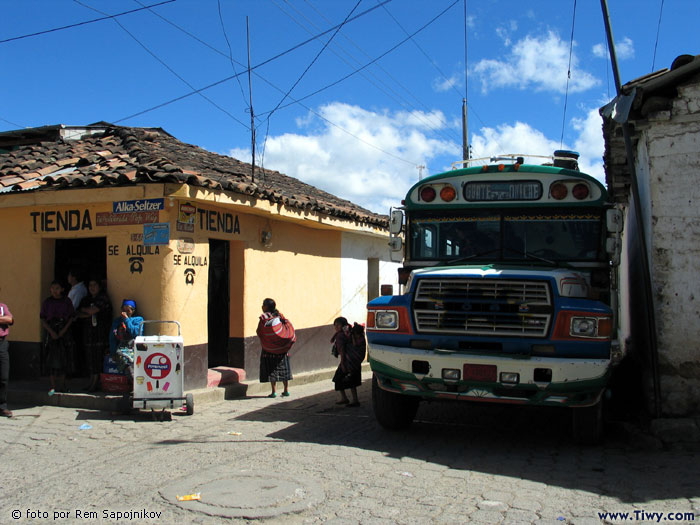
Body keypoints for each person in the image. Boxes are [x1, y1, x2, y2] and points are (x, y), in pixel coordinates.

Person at [40, 280, 75, 394]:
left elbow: (71, 317)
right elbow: (43, 319)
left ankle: (63, 385)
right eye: (53, 288)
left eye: (57, 288)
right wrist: (51, 332)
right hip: (51, 331)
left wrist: (62, 332)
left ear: (62, 289)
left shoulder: (66, 301)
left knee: (64, 358)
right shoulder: (47, 302)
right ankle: (52, 386)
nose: (55, 291)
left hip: (64, 330)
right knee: (51, 359)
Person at [76, 278, 112, 392]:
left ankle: (96, 383)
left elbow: (93, 310)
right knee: (90, 359)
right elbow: (78, 313)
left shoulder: (103, 298)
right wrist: (88, 311)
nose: (92, 287)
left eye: (94, 285)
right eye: (90, 285)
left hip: (100, 334)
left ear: (99, 286)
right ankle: (91, 381)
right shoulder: (86, 299)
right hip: (88, 334)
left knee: (98, 359)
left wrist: (87, 311)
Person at [256, 298, 293, 398]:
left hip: (269, 349)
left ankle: (274, 392)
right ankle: (286, 390)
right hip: (282, 350)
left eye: (263, 305)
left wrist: (268, 340)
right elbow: (285, 328)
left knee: (271, 369)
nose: (262, 306)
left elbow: (259, 332)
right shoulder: (280, 316)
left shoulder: (264, 319)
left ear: (266, 307)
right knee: (284, 369)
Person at [331, 317, 366, 407]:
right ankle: (354, 399)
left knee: (338, 378)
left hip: (347, 361)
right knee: (352, 380)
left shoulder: (341, 336)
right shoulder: (349, 333)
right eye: (335, 325)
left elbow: (342, 350)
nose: (336, 327)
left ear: (342, 325)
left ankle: (345, 398)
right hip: (355, 362)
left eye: (338, 325)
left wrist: (343, 363)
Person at [109, 299, 143, 382]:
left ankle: (135, 384)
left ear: (133, 311)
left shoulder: (138, 320)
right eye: (123, 310)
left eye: (128, 310)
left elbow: (135, 333)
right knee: (124, 360)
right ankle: (133, 383)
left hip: (134, 347)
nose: (125, 312)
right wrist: (112, 352)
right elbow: (112, 337)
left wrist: (127, 320)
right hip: (122, 348)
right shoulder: (117, 321)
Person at [0, 299, 14, 417]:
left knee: (3, 376)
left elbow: (10, 319)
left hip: (2, 343)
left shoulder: (2, 306)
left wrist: (4, 318)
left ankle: (2, 406)